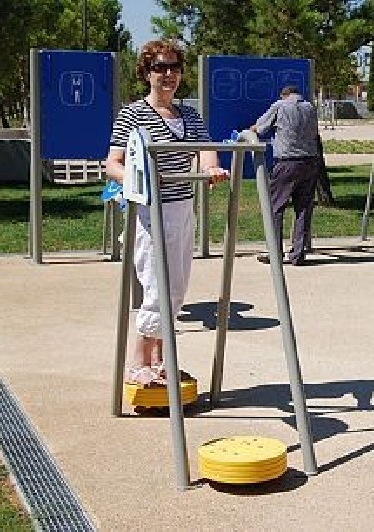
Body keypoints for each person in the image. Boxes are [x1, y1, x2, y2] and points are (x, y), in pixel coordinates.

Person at [104, 40, 228, 386]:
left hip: (181, 208)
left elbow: (205, 152)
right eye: (160, 68)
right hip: (149, 210)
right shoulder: (133, 114)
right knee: (157, 287)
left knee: (176, 287)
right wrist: (141, 179)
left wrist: (212, 170)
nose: (168, 74)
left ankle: (160, 358)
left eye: (174, 67)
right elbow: (112, 164)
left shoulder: (189, 115)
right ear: (146, 73)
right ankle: (137, 362)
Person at [251, 85, 320, 266]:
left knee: (275, 207)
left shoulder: (280, 106)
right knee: (303, 209)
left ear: (284, 95)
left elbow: (259, 128)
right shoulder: (310, 108)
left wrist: (252, 130)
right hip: (310, 161)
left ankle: (274, 252)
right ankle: (298, 254)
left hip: (287, 162)